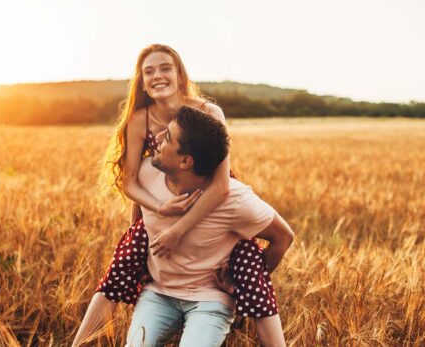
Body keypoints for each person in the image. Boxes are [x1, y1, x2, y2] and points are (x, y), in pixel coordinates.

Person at [72, 44, 290, 346]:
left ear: (179, 73)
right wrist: (160, 209)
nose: (157, 76)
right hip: (162, 194)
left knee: (248, 262)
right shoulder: (140, 119)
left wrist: (178, 229)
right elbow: (131, 182)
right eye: (148, 71)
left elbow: (221, 184)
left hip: (211, 194)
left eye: (165, 68)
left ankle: (245, 316)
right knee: (122, 263)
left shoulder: (209, 112)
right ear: (141, 80)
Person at [125, 106, 294, 346]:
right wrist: (139, 257)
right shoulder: (145, 173)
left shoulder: (235, 200)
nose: (158, 138)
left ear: (185, 161)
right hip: (158, 294)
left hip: (209, 299)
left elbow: (283, 237)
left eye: (168, 137)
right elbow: (138, 207)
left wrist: (240, 287)